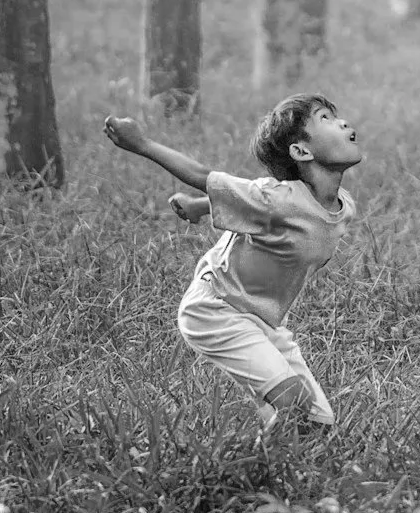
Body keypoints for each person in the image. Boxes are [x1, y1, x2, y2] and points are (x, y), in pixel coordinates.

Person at [101, 94, 362, 436]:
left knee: (315, 425)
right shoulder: (277, 198)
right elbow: (204, 176)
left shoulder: (342, 207)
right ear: (301, 151)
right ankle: (249, 466)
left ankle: (283, 456)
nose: (342, 122)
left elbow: (252, 209)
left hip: (265, 321)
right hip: (217, 309)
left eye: (336, 117)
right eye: (325, 118)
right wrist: (142, 143)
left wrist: (199, 207)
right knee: (293, 405)